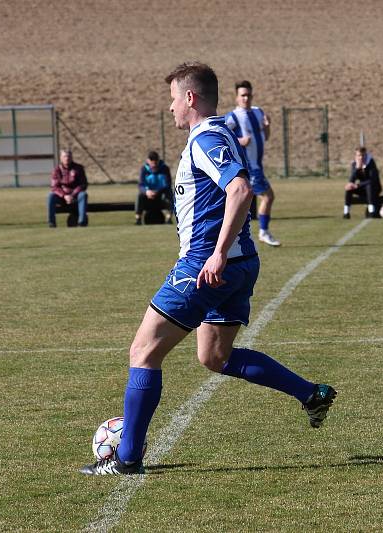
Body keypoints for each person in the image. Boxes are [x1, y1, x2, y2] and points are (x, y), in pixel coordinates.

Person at [79, 62, 336, 476]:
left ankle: (125, 459)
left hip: (206, 265)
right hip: (240, 264)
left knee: (143, 353)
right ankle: (310, 394)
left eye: (173, 100)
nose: (170, 109)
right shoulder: (218, 136)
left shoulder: (208, 137)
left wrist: (216, 253)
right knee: (215, 356)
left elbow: (240, 189)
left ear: (191, 99)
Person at [225, 80, 280, 246]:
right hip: (248, 168)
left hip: (257, 166)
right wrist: (240, 140)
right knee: (267, 196)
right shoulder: (233, 117)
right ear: (236, 97)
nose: (246, 98)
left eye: (248, 95)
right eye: (243, 95)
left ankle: (238, 236)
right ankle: (263, 232)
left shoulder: (258, 112)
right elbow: (223, 138)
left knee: (244, 202)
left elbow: (266, 137)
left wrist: (268, 126)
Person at [47, 149, 88, 228]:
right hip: (62, 196)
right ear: (61, 158)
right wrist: (64, 196)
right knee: (50, 196)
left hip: (76, 196)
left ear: (72, 157)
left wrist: (72, 195)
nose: (67, 158)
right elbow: (54, 187)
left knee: (83, 194)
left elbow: (83, 184)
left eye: (69, 156)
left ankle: (81, 222)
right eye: (65, 156)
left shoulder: (79, 168)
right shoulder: (56, 170)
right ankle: (51, 223)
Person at [135, 151, 173, 225]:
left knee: (169, 194)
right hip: (148, 195)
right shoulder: (144, 169)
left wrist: (157, 191)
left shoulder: (165, 169)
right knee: (139, 196)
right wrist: (147, 192)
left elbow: (168, 184)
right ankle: (138, 219)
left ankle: (169, 218)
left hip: (161, 194)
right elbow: (141, 185)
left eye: (155, 163)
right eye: (152, 163)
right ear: (148, 161)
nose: (154, 165)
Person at [344, 146, 382, 219]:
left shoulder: (371, 163)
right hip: (362, 188)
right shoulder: (354, 164)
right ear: (356, 156)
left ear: (366, 155)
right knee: (349, 188)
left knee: (369, 186)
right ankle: (346, 212)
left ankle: (371, 212)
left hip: (374, 189)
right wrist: (357, 168)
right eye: (359, 155)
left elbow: (372, 180)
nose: (361, 157)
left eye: (363, 155)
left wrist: (358, 185)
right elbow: (351, 180)